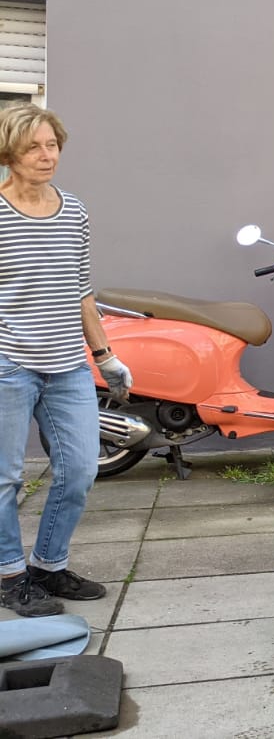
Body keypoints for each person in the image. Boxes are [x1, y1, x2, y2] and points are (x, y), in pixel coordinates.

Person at [0, 104, 131, 617]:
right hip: (9, 365)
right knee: (6, 477)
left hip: (68, 367)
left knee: (79, 469)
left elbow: (81, 291)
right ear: (9, 152)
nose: (46, 155)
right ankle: (9, 574)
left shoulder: (72, 210)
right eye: (33, 146)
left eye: (52, 144)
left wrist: (106, 357)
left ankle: (48, 565)